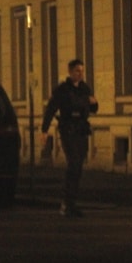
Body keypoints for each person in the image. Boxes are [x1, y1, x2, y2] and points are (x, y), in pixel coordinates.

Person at [40, 59, 99, 218]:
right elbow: (51, 109)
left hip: (81, 129)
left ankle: (71, 202)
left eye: (82, 71)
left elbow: (93, 108)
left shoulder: (85, 88)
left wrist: (94, 103)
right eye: (77, 71)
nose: (80, 74)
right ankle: (66, 203)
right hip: (68, 129)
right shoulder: (62, 90)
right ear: (70, 72)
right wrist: (44, 130)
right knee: (73, 164)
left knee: (78, 166)